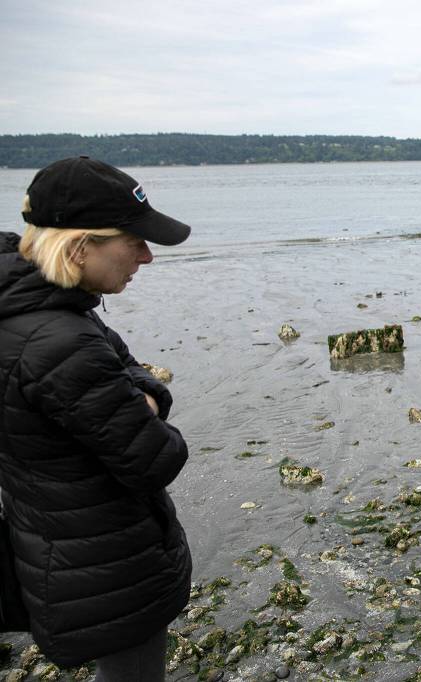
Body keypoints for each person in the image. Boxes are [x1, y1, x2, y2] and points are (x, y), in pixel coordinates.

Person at [0, 157, 193, 679]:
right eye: (135, 242)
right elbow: (158, 457)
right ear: (81, 246)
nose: (147, 257)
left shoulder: (30, 310)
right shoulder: (59, 340)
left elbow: (128, 367)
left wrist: (139, 390)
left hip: (52, 546)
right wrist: (148, 401)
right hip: (105, 566)